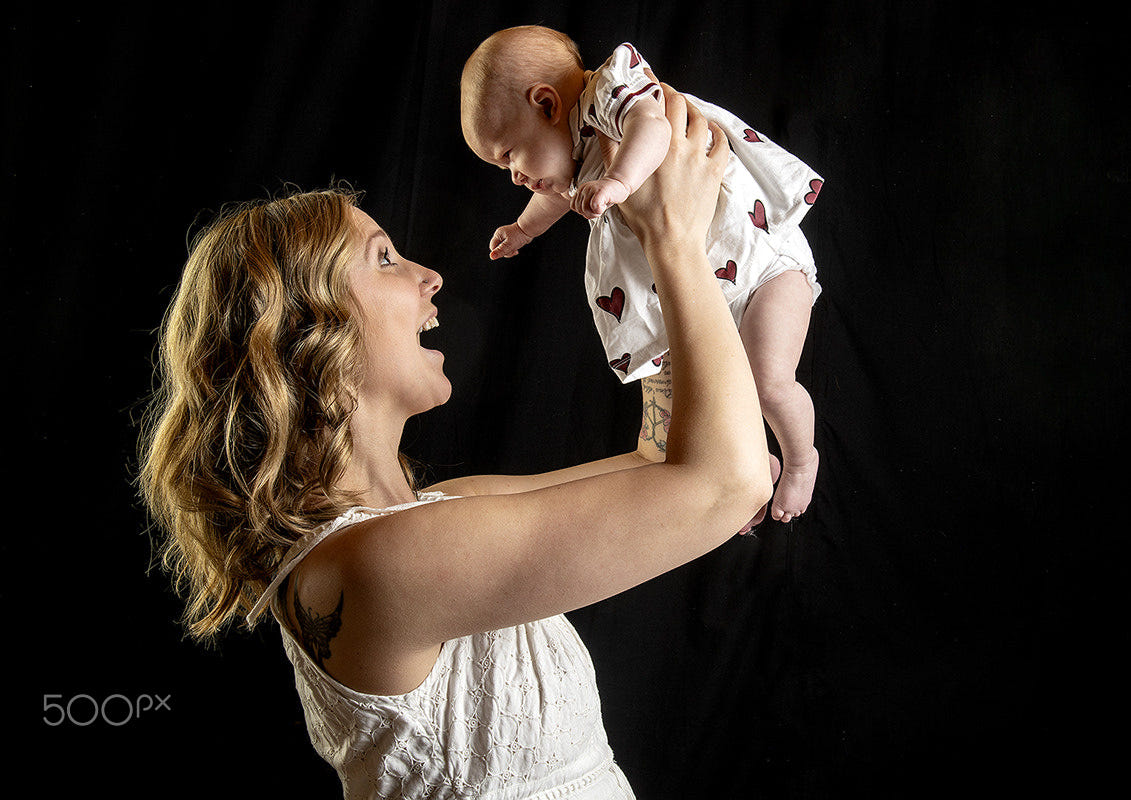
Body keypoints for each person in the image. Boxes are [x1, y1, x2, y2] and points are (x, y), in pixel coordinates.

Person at [138, 86, 773, 798]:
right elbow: (725, 483)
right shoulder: (379, 563)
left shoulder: (437, 515)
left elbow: (663, 462)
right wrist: (675, 239)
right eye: (383, 259)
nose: (429, 276)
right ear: (307, 334)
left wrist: (639, 257)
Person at [461, 25, 823, 523]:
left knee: (768, 382)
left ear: (546, 104)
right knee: (699, 409)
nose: (515, 177)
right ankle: (745, 470)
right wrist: (523, 230)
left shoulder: (608, 93)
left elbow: (652, 126)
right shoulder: (571, 157)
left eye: (508, 157)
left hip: (762, 265)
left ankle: (802, 461)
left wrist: (619, 180)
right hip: (703, 291)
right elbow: (552, 196)